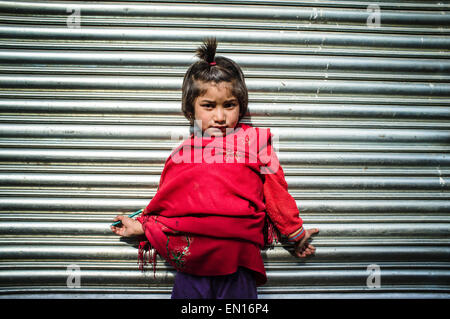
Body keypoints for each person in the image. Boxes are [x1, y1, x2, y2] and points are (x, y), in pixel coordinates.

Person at [110, 38, 319, 299]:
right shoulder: (182, 154)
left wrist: (293, 234)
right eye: (208, 106)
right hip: (192, 261)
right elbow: (171, 206)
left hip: (238, 260)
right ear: (191, 110)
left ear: (241, 105)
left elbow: (277, 194)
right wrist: (141, 225)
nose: (220, 117)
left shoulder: (256, 144)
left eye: (229, 105)